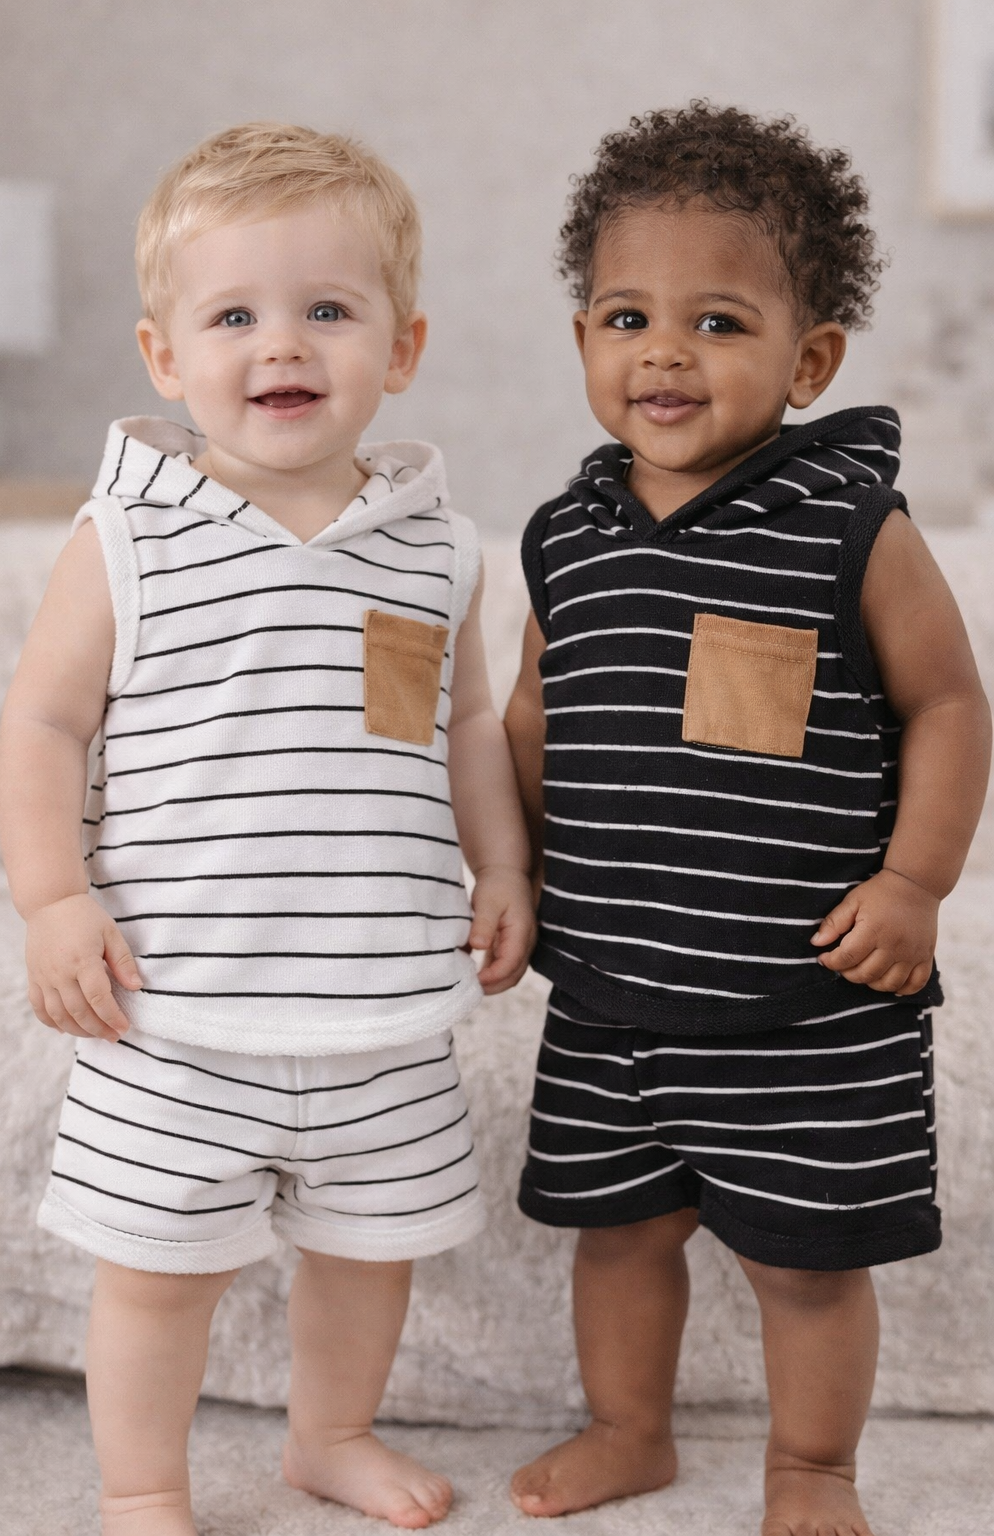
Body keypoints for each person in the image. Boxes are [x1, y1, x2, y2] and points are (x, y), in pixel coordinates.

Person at [0, 121, 534, 1536]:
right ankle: (141, 1485)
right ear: (165, 357)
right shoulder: (132, 535)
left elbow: (461, 727)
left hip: (380, 1009)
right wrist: (54, 902)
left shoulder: (430, 545)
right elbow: (44, 729)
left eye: (327, 310)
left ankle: (329, 1435)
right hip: (174, 1010)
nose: (279, 343)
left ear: (401, 346)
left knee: (373, 1253)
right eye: (233, 314)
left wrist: (504, 863)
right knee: (156, 1269)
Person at [503, 103, 991, 1536]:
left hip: (805, 995)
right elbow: (533, 720)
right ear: (585, 337)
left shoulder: (849, 522)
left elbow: (952, 706)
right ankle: (629, 1427)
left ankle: (812, 1469)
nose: (662, 353)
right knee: (618, 1233)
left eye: (717, 321)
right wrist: (506, 870)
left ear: (809, 359)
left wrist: (915, 883)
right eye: (625, 315)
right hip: (609, 992)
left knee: (809, 1265)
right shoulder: (567, 535)